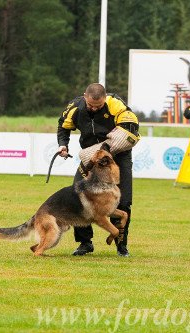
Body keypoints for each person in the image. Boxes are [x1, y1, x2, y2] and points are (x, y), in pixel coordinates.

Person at [57, 83, 139, 257]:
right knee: (78, 196)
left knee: (123, 201)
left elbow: (132, 126)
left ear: (105, 99)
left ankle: (121, 245)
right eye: (90, 105)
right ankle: (85, 243)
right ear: (84, 96)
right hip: (91, 157)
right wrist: (63, 145)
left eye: (99, 106)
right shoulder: (75, 107)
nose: (94, 108)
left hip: (117, 155)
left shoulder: (116, 104)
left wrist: (108, 147)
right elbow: (63, 126)